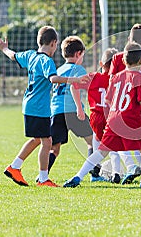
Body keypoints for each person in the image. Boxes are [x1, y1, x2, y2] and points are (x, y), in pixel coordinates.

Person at [63, 42, 141, 189]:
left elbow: (108, 99)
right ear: (140, 60)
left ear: (124, 61)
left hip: (113, 119)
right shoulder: (139, 77)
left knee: (101, 152)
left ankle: (77, 177)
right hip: (130, 119)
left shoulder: (116, 77)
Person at [0, 26, 88, 187]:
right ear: (53, 43)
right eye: (56, 45)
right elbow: (53, 78)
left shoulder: (30, 55)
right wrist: (73, 80)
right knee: (47, 142)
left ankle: (15, 167)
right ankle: (42, 178)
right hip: (39, 107)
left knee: (39, 139)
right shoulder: (46, 61)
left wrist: (4, 48)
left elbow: (13, 56)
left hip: (28, 105)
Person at [49, 36, 104, 182]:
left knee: (54, 148)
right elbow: (76, 88)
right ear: (79, 53)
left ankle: (43, 175)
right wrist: (80, 109)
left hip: (56, 111)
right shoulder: (78, 69)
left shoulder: (59, 70)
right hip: (73, 111)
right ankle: (95, 175)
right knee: (93, 141)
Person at [109, 23, 141, 184]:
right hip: (131, 107)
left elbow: (111, 80)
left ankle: (126, 168)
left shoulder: (117, 57)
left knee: (114, 140)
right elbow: (139, 89)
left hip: (113, 104)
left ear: (129, 37)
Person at [84, 47, 123, 183]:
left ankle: (95, 170)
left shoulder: (93, 77)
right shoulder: (118, 80)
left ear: (101, 64)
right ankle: (116, 173)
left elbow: (74, 85)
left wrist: (78, 107)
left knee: (97, 141)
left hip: (95, 116)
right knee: (113, 145)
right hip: (111, 116)